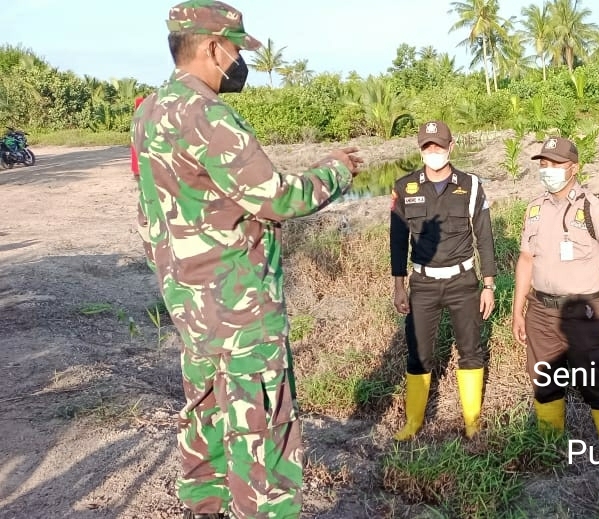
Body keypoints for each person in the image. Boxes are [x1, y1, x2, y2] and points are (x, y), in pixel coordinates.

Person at [133, 2, 363, 518]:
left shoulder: (148, 113)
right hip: (240, 311)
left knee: (206, 419)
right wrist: (336, 170)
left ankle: (205, 509)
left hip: (192, 311)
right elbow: (277, 197)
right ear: (214, 48)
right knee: (262, 427)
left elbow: (152, 217)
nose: (240, 61)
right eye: (237, 49)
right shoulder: (207, 114)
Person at [511, 137, 599, 456]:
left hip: (581, 312)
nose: (547, 170)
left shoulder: (594, 206)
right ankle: (550, 449)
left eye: (555, 165)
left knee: (596, 381)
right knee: (545, 380)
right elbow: (526, 259)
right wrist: (518, 310)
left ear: (574, 168)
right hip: (540, 310)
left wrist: (593, 277)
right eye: (543, 165)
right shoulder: (535, 208)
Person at [390, 120, 497, 441]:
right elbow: (397, 240)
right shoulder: (403, 187)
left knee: (470, 349)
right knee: (418, 352)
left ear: (452, 146)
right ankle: (413, 422)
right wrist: (399, 284)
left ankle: (472, 420)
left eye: (439, 145)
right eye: (427, 146)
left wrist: (488, 284)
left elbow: (485, 236)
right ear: (420, 150)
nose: (433, 151)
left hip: (463, 281)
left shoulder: (471, 185)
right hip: (422, 283)